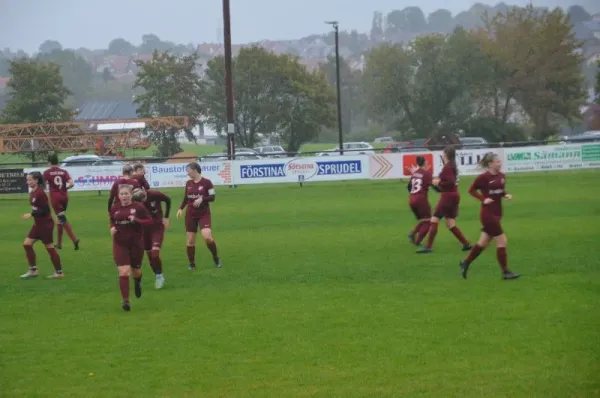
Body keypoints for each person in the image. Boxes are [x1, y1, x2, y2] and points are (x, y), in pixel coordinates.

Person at [460, 153, 520, 280]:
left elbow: (500, 190)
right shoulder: (483, 177)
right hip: (487, 214)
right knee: (502, 241)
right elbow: (471, 190)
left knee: (483, 243)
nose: (500, 163)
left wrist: (506, 195)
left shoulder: (502, 176)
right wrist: (483, 199)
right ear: (490, 164)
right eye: (497, 161)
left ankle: (465, 262)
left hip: (498, 212)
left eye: (500, 161)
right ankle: (505, 272)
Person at [417, 146, 471, 253]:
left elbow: (449, 182)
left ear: (446, 154)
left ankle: (428, 247)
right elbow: (451, 181)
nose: (442, 155)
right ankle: (466, 244)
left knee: (434, 219)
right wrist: (437, 182)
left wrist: (438, 183)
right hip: (454, 195)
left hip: (448, 196)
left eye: (443, 153)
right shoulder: (452, 166)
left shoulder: (447, 167)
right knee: (450, 223)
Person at [110, 185, 153, 311]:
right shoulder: (115, 208)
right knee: (124, 271)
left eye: (126, 194)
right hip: (120, 243)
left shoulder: (138, 207)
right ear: (118, 196)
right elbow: (112, 220)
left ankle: (137, 281)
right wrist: (112, 227)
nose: (124, 196)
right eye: (122, 194)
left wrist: (137, 220)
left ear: (131, 195)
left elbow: (149, 221)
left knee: (136, 270)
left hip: (135, 243)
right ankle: (126, 300)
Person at [176, 162, 221, 270]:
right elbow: (186, 198)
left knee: (207, 236)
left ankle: (216, 258)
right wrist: (180, 208)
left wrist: (202, 198)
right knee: (190, 240)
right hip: (190, 214)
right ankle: (192, 264)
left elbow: (212, 197)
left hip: (203, 213)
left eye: (188, 171)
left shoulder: (207, 182)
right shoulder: (188, 183)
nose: (187, 173)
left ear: (195, 170)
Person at [21, 172, 65, 279]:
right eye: (27, 180)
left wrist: (31, 214)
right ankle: (33, 270)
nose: (28, 182)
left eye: (30, 180)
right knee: (27, 244)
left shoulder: (40, 193)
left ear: (36, 180)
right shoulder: (33, 192)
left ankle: (59, 273)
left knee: (49, 248)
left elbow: (45, 210)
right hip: (37, 224)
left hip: (45, 225)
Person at [43, 154, 80, 250]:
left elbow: (43, 185)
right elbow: (72, 183)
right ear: (57, 162)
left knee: (62, 219)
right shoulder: (64, 172)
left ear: (49, 162)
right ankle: (59, 243)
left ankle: (74, 239)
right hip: (64, 197)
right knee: (59, 220)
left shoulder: (47, 172)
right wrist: (65, 188)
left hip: (55, 198)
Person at [136, 188, 171, 289]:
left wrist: (166, 217)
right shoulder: (135, 201)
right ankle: (158, 275)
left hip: (157, 228)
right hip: (144, 230)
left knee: (155, 254)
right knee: (150, 256)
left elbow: (168, 199)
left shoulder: (154, 194)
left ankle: (159, 276)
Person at [407, 156, 433, 246]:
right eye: (426, 161)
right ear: (424, 163)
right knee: (428, 221)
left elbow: (409, 187)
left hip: (411, 199)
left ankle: (412, 233)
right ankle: (417, 241)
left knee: (423, 219)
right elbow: (434, 185)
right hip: (421, 199)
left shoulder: (414, 173)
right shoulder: (427, 174)